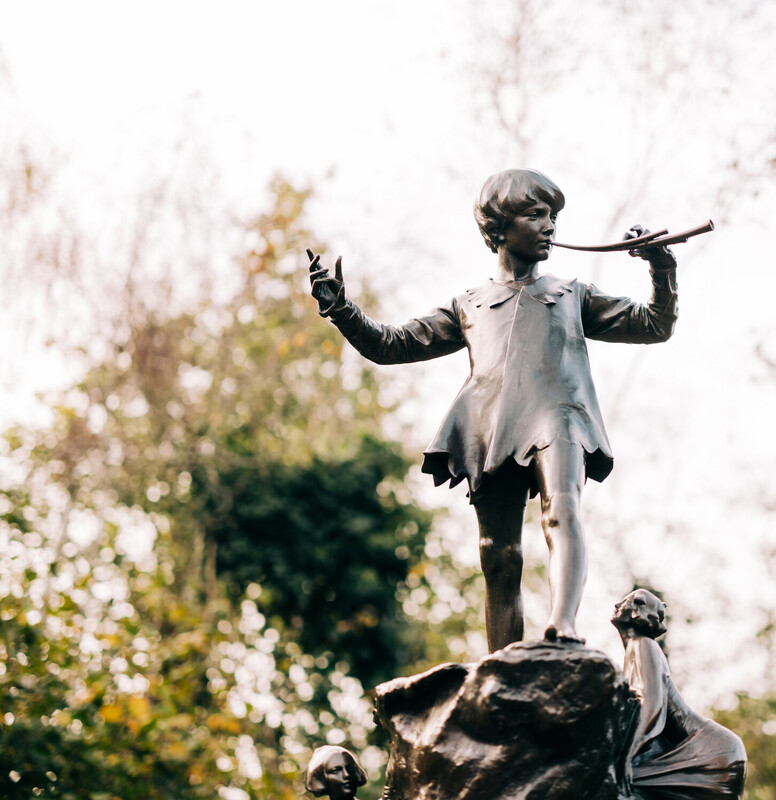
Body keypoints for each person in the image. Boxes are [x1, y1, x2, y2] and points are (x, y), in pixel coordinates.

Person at [308, 168, 677, 651]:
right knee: (497, 554)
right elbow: (391, 345)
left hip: (559, 416)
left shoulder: (571, 294)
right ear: (501, 227)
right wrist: (342, 310)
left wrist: (660, 268)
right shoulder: (470, 304)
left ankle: (562, 626)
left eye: (553, 217)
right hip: (490, 423)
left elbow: (654, 324)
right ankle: (502, 663)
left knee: (562, 508)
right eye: (536, 215)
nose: (550, 226)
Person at [612, 589, 747, 800]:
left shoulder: (643, 645)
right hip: (718, 750)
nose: (617, 605)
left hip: (711, 753)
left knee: (614, 778)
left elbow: (652, 708)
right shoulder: (637, 648)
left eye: (626, 601)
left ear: (638, 610)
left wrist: (626, 757)